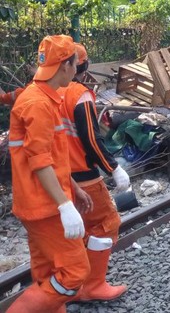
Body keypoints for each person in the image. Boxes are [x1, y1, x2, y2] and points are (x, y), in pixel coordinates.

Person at [7, 35, 91, 312]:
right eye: (75, 63)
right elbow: (39, 161)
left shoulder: (43, 97)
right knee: (75, 272)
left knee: (45, 270)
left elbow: (51, 158)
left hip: (39, 201)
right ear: (66, 66)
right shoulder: (39, 104)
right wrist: (64, 205)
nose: (77, 69)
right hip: (45, 205)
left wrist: (73, 189)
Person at [57, 43, 130, 302]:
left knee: (78, 230)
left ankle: (72, 283)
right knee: (107, 223)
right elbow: (90, 138)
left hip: (55, 177)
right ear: (82, 66)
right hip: (82, 176)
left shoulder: (45, 92)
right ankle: (93, 285)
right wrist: (114, 168)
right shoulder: (80, 95)